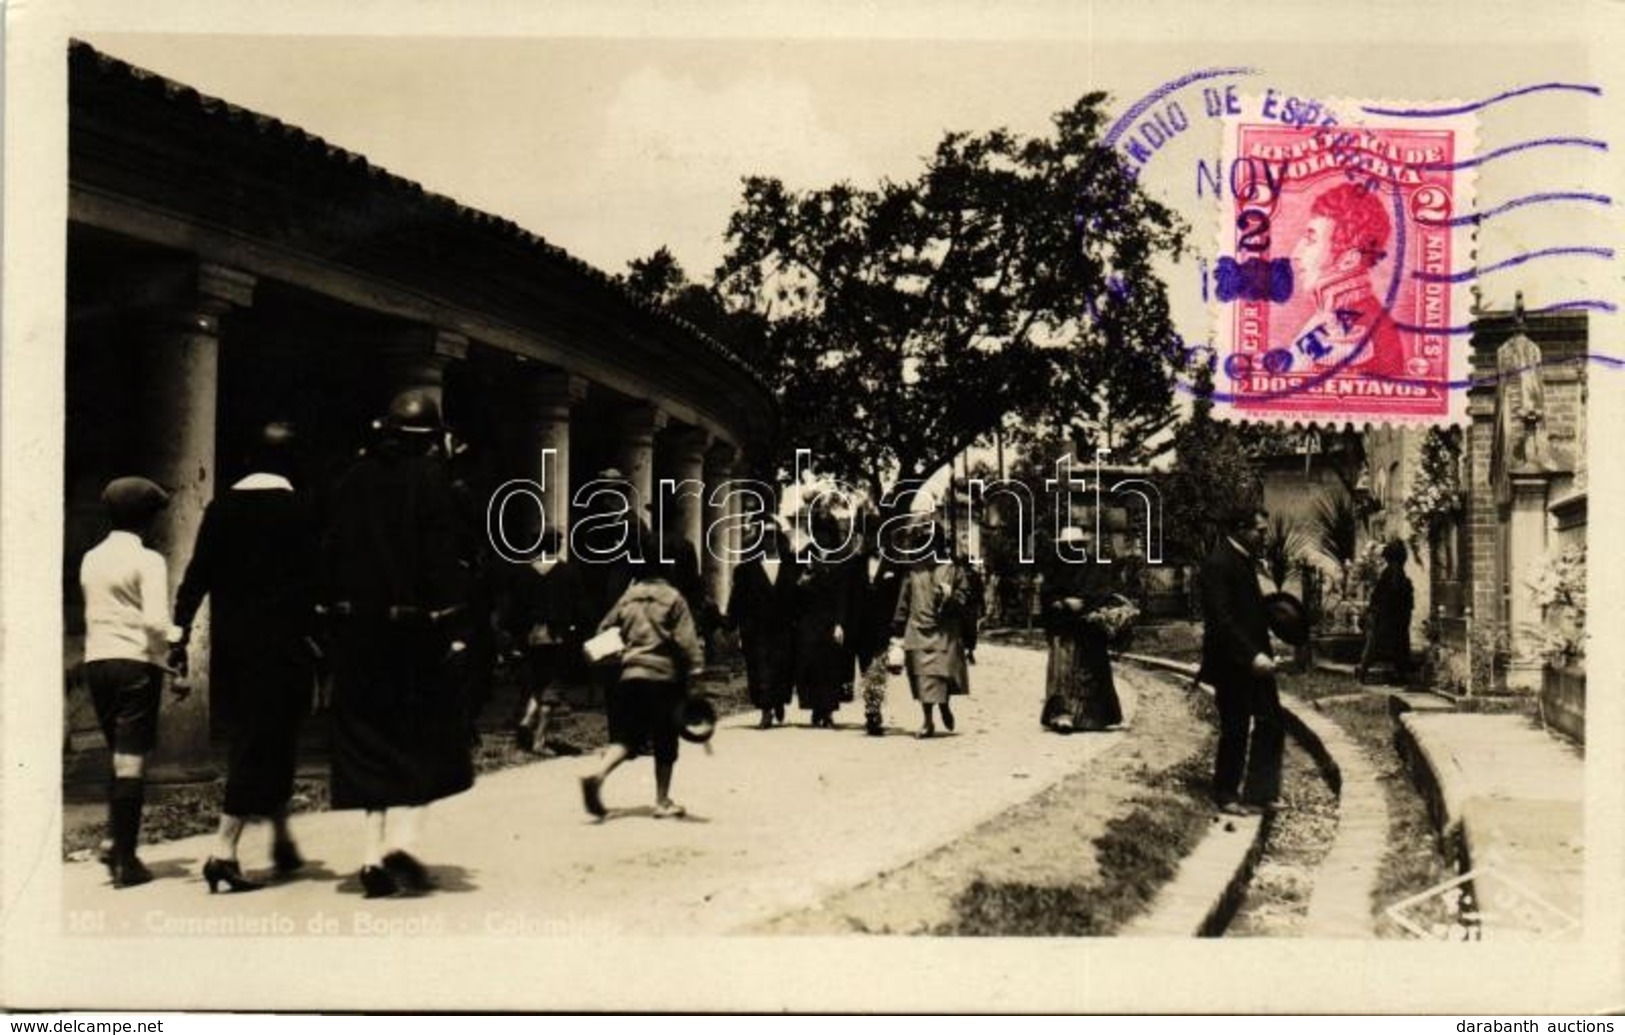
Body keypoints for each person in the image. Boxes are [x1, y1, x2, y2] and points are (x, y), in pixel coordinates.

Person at [322, 391, 474, 898]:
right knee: (423, 739)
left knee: (368, 745)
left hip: (357, 636)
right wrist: (454, 627)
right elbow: (442, 559)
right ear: (430, 439)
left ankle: (370, 855)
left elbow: (330, 553)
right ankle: (400, 844)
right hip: (414, 636)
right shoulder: (431, 482)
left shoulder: (350, 481)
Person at [172, 423, 320, 893]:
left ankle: (280, 838)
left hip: (233, 649)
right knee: (260, 742)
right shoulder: (300, 510)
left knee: (266, 737)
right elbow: (315, 581)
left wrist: (179, 634)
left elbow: (197, 575)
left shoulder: (222, 508)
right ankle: (223, 851)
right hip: (285, 646)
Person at [80, 476, 186, 888]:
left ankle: (111, 839)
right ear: (147, 519)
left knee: (119, 758)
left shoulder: (91, 558)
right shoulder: (149, 561)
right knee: (133, 762)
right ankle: (127, 859)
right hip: (133, 667)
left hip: (97, 662)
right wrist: (177, 637)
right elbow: (156, 624)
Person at [579, 524, 705, 820]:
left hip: (629, 676)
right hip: (663, 679)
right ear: (667, 565)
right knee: (665, 740)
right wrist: (697, 675)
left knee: (627, 738)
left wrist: (623, 653)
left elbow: (603, 631)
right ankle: (662, 801)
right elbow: (687, 643)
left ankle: (597, 773)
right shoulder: (673, 598)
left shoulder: (629, 596)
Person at [1200, 506, 1285, 816]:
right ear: (1239, 529)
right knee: (1235, 727)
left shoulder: (1248, 562)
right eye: (1259, 530)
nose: (1264, 536)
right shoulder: (1218, 564)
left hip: (1256, 657)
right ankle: (1226, 793)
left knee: (1272, 722)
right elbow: (1223, 621)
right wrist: (1252, 655)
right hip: (1231, 662)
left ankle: (1261, 793)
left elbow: (1254, 612)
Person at [1289, 181, 1405, 379]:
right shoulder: (1341, 312)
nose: (1295, 254)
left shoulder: (1353, 327)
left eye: (1311, 240)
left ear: (1349, 260)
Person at [503, 529, 591, 754]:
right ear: (558, 546)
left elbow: (513, 609)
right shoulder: (568, 571)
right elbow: (581, 608)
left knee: (538, 684)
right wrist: (580, 630)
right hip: (557, 637)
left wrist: (516, 638)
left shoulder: (523, 572)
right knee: (554, 689)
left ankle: (525, 721)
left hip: (531, 637)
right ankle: (539, 740)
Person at [1039, 526, 1124, 733]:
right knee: (1062, 673)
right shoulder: (1056, 568)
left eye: (1076, 545)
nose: (1072, 549)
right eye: (1067, 546)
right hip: (1063, 628)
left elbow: (1104, 593)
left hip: (1087, 628)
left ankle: (1088, 718)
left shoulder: (1092, 567)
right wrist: (1062, 602)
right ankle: (1062, 715)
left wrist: (1085, 603)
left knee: (1088, 673)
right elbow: (1046, 594)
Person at [892, 521, 970, 739]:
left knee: (943, 674)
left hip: (944, 631)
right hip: (917, 629)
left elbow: (965, 598)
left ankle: (944, 704)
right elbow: (904, 600)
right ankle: (927, 721)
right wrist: (897, 628)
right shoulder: (912, 571)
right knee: (922, 676)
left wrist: (951, 596)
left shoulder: (952, 569)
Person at [726, 516, 798, 729]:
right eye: (765, 536)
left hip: (784, 628)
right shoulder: (745, 570)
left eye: (773, 536)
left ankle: (778, 702)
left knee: (782, 668)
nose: (770, 541)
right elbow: (737, 600)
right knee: (759, 669)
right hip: (756, 629)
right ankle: (765, 710)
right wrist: (732, 625)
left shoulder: (792, 567)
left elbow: (801, 597)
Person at [791, 509, 852, 729]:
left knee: (831, 666)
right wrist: (801, 583)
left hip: (830, 620)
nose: (822, 537)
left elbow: (844, 594)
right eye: (818, 532)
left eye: (826, 532)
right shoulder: (804, 555)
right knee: (810, 664)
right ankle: (815, 708)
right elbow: (792, 589)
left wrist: (839, 623)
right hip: (808, 619)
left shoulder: (842, 558)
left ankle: (827, 711)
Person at [846, 521, 904, 736]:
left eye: (877, 536)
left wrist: (897, 626)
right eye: (870, 536)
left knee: (877, 670)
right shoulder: (856, 564)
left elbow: (898, 597)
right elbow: (849, 596)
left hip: (882, 627)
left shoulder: (894, 565)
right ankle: (871, 709)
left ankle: (873, 712)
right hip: (860, 628)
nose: (873, 540)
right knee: (865, 669)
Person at [1358, 538, 1415, 685]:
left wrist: (1373, 609)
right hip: (1393, 616)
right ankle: (1399, 673)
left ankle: (1365, 671)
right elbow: (1389, 596)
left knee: (1376, 645)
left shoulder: (1391, 573)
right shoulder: (1397, 573)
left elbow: (1379, 596)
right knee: (1396, 645)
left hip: (1389, 616)